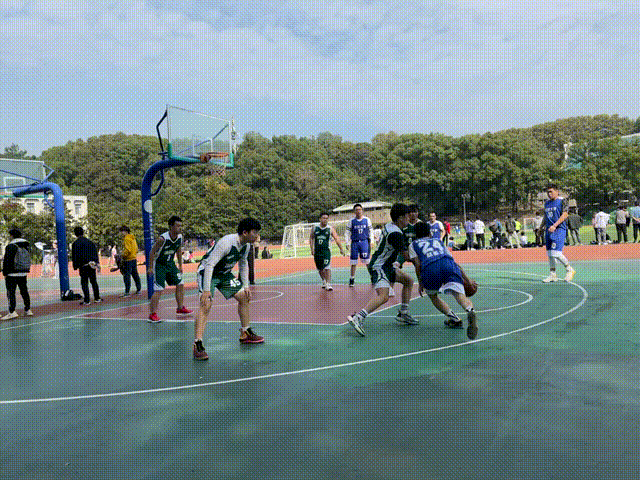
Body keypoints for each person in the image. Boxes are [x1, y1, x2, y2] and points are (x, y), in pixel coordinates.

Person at [193, 218, 263, 360]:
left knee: (244, 297)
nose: (257, 236)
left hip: (224, 274)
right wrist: (206, 290)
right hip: (208, 272)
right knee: (206, 304)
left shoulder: (246, 246)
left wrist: (246, 285)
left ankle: (245, 332)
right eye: (255, 232)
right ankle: (197, 343)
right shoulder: (226, 243)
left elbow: (243, 264)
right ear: (245, 232)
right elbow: (209, 265)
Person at [347, 203, 416, 337]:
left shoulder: (391, 226)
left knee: (408, 280)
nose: (409, 219)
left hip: (387, 265)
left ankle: (404, 313)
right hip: (379, 266)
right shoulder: (395, 234)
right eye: (407, 216)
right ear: (400, 218)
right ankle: (358, 317)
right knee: (384, 296)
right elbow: (407, 256)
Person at [408, 222, 478, 339]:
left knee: (433, 296)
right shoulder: (438, 241)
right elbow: (453, 262)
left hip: (430, 267)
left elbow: (418, 264)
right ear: (429, 232)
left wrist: (420, 282)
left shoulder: (413, 244)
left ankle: (454, 319)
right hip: (448, 265)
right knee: (459, 294)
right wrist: (468, 280)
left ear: (415, 234)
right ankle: (470, 310)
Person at [147, 216, 192, 322]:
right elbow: (152, 252)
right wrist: (150, 267)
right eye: (177, 226)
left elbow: (178, 250)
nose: (180, 228)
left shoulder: (179, 237)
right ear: (171, 226)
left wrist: (180, 265)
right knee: (159, 289)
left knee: (180, 283)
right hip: (160, 265)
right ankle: (152, 314)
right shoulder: (162, 239)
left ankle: (180, 308)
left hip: (170, 264)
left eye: (181, 226)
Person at [542, 184, 576, 283]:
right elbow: (545, 216)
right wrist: (540, 227)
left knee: (556, 253)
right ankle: (553, 275)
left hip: (559, 229)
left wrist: (555, 225)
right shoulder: (547, 203)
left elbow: (565, 214)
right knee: (550, 254)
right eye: (548, 192)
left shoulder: (562, 201)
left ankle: (569, 269)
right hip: (549, 230)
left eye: (551, 191)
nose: (549, 194)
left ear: (557, 191)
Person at [1, 228, 32, 319]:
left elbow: (7, 260)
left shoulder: (11, 246)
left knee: (11, 292)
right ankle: (28, 309)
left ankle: (12, 311)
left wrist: (5, 272)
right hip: (23, 272)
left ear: (12, 236)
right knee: (24, 291)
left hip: (12, 273)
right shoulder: (26, 245)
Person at [310, 213, 346, 291]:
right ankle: (324, 280)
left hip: (326, 251)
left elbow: (336, 238)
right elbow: (311, 238)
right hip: (317, 251)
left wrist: (341, 248)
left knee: (327, 267)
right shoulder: (315, 228)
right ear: (320, 219)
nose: (325, 220)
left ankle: (328, 284)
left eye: (327, 218)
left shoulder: (330, 228)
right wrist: (311, 248)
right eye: (323, 218)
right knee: (320, 269)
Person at [71, 226, 102, 305]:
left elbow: (74, 256)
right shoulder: (90, 242)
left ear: (75, 234)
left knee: (84, 282)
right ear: (83, 232)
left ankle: (87, 300)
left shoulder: (75, 244)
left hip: (83, 266)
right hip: (91, 265)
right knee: (94, 281)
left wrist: (75, 266)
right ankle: (97, 298)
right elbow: (95, 253)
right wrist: (96, 263)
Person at [346, 204, 374, 287]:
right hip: (355, 243)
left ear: (362, 210)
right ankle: (352, 279)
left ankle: (373, 277)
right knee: (353, 262)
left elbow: (371, 231)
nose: (358, 211)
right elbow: (347, 233)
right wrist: (347, 243)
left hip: (364, 242)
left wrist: (372, 241)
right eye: (357, 209)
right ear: (354, 211)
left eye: (360, 209)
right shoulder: (351, 221)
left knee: (367, 261)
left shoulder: (367, 220)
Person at [118, 226, 141, 297]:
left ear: (124, 231)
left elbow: (128, 250)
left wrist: (122, 255)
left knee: (126, 275)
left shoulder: (126, 238)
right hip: (133, 258)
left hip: (128, 259)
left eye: (121, 232)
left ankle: (127, 292)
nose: (121, 233)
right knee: (135, 274)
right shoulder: (132, 238)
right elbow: (136, 248)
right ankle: (138, 290)